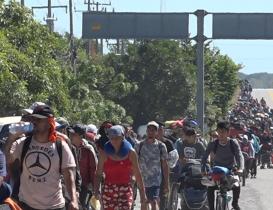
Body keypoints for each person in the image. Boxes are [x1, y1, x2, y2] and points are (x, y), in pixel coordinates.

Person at [4, 105, 78, 210]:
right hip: (26, 204)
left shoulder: (60, 146)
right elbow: (8, 159)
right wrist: (11, 138)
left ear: (49, 123)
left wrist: (74, 200)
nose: (34, 122)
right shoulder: (23, 143)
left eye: (39, 120)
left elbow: (69, 175)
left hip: (54, 206)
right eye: (33, 119)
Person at [94, 125, 147, 210]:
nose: (115, 140)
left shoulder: (131, 153)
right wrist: (96, 191)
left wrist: (143, 197)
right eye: (112, 138)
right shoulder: (103, 154)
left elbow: (137, 174)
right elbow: (98, 174)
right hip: (109, 189)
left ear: (123, 137)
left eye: (117, 138)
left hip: (125, 188)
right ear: (109, 138)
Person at [202, 121, 244, 210]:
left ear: (228, 132)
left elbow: (240, 156)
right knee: (210, 188)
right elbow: (204, 157)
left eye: (223, 132)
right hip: (217, 171)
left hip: (230, 171)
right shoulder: (213, 143)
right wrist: (203, 169)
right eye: (219, 131)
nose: (220, 134)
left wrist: (241, 168)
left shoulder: (233, 143)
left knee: (236, 184)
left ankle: (234, 203)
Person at [135, 121, 169, 210]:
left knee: (154, 201)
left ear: (157, 132)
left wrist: (166, 183)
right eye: (149, 130)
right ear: (146, 131)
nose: (151, 132)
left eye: (153, 130)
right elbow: (134, 162)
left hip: (155, 179)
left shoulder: (161, 146)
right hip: (142, 179)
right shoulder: (139, 145)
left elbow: (165, 165)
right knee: (144, 201)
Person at [68, 124, 97, 210]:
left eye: (74, 134)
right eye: (70, 134)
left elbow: (93, 168)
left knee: (81, 207)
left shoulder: (88, 149)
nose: (71, 136)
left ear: (81, 136)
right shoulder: (67, 147)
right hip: (68, 184)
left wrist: (94, 187)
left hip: (84, 186)